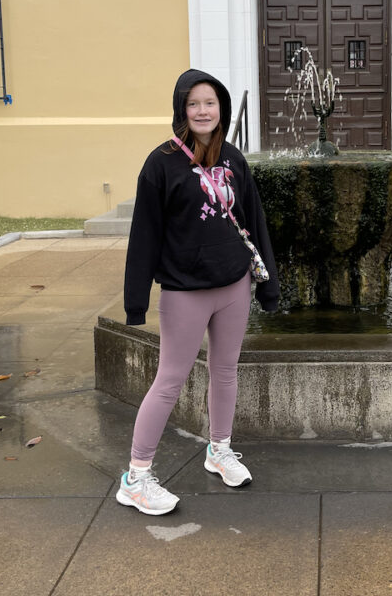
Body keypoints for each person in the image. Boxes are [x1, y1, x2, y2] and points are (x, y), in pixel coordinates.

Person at [116, 69, 279, 516]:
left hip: (234, 285)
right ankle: (136, 477)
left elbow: (254, 221)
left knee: (225, 371)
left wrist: (268, 289)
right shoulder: (161, 163)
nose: (203, 111)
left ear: (221, 107)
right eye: (194, 104)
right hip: (185, 291)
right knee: (169, 381)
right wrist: (136, 301)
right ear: (181, 110)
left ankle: (219, 450)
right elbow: (144, 234)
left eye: (210, 102)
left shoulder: (233, 158)